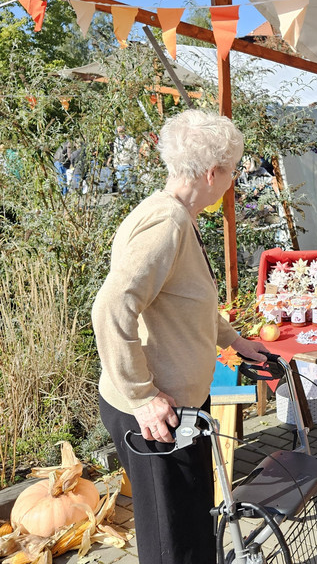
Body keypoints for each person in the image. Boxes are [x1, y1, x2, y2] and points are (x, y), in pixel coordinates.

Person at [92, 110, 269, 564]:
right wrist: (142, 395)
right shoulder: (166, 224)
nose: (233, 180)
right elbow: (110, 307)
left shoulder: (177, 217)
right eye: (232, 171)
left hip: (177, 405)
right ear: (213, 173)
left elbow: (188, 304)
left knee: (190, 523)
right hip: (158, 413)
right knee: (173, 540)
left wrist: (234, 341)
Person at [110, 125, 138, 191]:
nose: (121, 133)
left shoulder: (131, 140)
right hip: (119, 166)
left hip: (128, 165)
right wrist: (115, 165)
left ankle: (132, 199)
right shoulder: (116, 141)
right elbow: (115, 153)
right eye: (119, 131)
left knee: (131, 184)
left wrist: (135, 165)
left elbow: (135, 153)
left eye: (122, 131)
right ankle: (124, 199)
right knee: (121, 185)